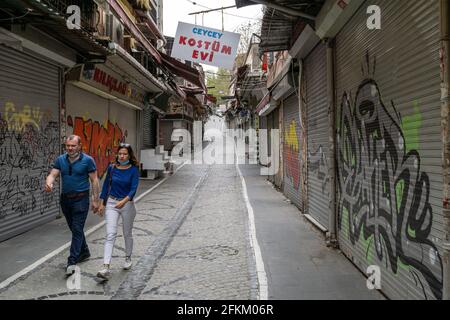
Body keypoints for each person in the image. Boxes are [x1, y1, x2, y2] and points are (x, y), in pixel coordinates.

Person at [45, 135, 100, 276]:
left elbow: (94, 180)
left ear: (80, 146)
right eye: (68, 146)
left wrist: (95, 200)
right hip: (65, 200)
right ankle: (85, 251)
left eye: (73, 145)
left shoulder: (88, 161)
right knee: (75, 229)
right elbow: (53, 174)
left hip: (81, 200)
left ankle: (72, 261)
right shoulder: (61, 159)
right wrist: (49, 182)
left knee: (76, 229)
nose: (70, 148)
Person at [96, 143, 140, 280]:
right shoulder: (112, 168)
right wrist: (102, 203)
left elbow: (133, 188)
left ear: (129, 155)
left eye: (125, 154)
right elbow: (106, 186)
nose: (122, 156)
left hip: (127, 204)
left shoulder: (133, 170)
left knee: (127, 233)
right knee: (110, 234)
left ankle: (128, 257)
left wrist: (125, 201)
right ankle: (105, 266)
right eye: (120, 153)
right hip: (111, 203)